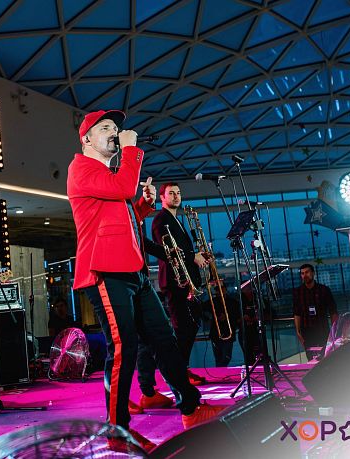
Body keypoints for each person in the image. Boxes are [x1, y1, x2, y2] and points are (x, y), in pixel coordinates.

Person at [67, 109, 225, 450]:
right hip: (105, 271)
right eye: (106, 127)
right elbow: (123, 186)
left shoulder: (108, 176)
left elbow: (117, 217)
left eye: (116, 127)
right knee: (124, 346)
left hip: (132, 271)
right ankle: (117, 433)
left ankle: (191, 408)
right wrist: (130, 150)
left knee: (164, 338)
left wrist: (141, 207)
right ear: (86, 139)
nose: (114, 131)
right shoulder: (80, 168)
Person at [152, 182, 210, 385]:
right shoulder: (161, 220)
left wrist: (198, 255)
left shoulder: (175, 219)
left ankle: (182, 370)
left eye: (178, 193)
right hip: (175, 282)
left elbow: (181, 249)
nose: (176, 196)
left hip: (185, 282)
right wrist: (192, 256)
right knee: (183, 330)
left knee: (190, 327)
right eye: (171, 193)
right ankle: (178, 374)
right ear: (162, 198)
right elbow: (168, 250)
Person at [293, 263, 338, 360]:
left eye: (307, 272)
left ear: (313, 273)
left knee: (326, 357)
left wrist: (334, 330)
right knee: (310, 358)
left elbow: (333, 311)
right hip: (307, 332)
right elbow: (297, 313)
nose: (305, 275)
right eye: (302, 273)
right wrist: (298, 331)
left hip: (323, 329)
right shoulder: (298, 292)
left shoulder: (324, 290)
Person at [203, 280, 239, 367]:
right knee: (219, 357)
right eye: (218, 290)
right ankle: (221, 371)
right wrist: (209, 317)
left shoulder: (233, 302)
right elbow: (201, 309)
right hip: (216, 333)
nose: (220, 291)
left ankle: (221, 370)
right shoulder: (212, 302)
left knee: (227, 357)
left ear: (225, 289)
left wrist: (227, 317)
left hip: (228, 332)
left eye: (222, 289)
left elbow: (237, 315)